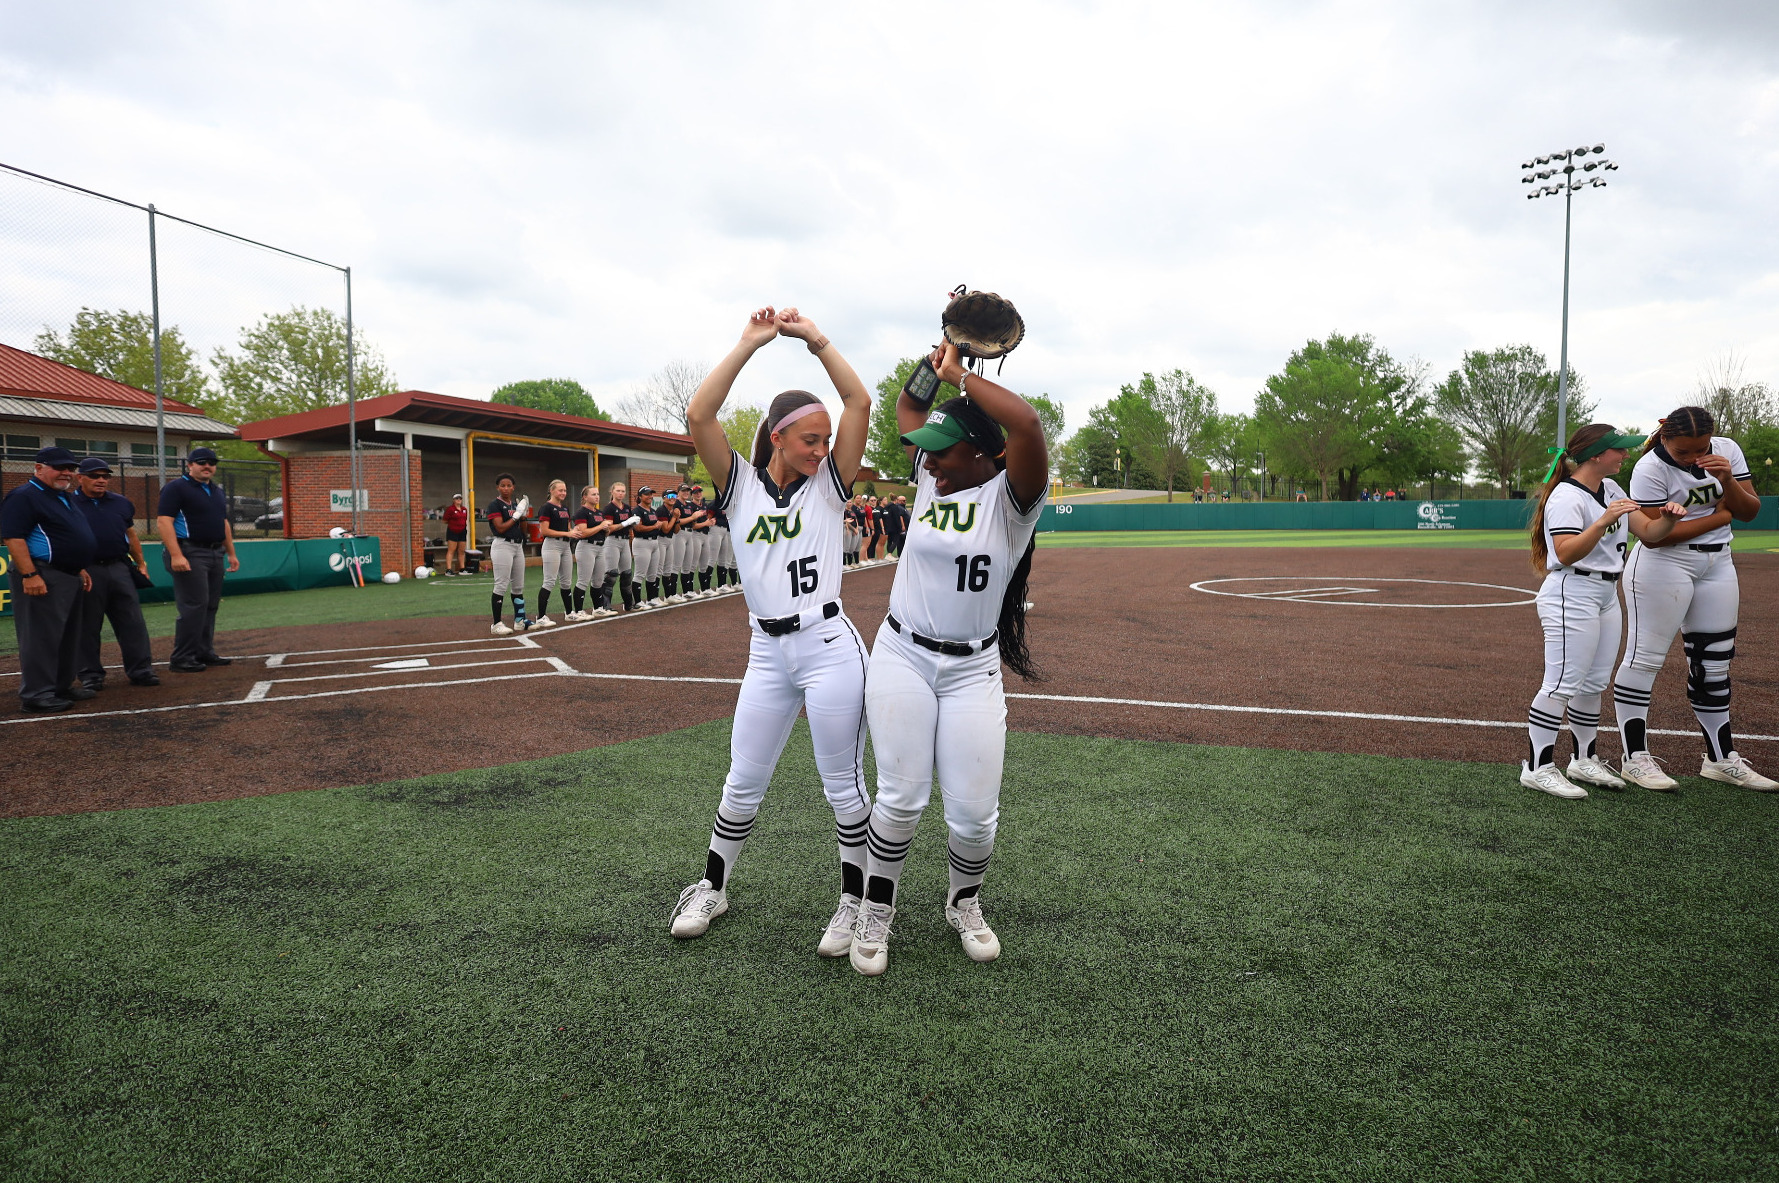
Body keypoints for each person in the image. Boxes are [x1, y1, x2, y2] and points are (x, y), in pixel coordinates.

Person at [669, 305, 873, 956]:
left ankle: (855, 900)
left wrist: (816, 339)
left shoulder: (828, 486)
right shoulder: (740, 486)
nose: (821, 449)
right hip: (766, 649)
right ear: (778, 438)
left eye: (825, 440)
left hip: (828, 645)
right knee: (743, 779)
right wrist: (748, 344)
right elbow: (699, 415)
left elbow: (858, 401)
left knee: (843, 785)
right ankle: (712, 886)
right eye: (809, 439)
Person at [849, 341, 1048, 977]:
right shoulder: (932, 481)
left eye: (943, 450)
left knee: (974, 816)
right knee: (900, 799)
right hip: (902, 654)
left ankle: (963, 902)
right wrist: (938, 358)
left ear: (982, 454)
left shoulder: (1013, 500)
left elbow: (1026, 424)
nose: (928, 460)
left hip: (971, 671)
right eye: (927, 451)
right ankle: (876, 908)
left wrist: (960, 376)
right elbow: (910, 406)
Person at [1612, 406, 1776, 791]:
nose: (1693, 457)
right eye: (1683, 451)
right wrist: (1720, 516)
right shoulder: (1650, 467)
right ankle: (1634, 758)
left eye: (1701, 449)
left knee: (1713, 664)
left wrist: (1727, 479)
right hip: (1663, 564)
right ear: (1665, 439)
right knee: (1644, 659)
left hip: (1719, 563)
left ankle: (1720, 759)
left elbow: (1750, 510)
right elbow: (1656, 535)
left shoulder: (1726, 450)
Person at [1519, 425, 1684, 799]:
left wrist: (1669, 519)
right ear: (1596, 454)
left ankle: (1583, 759)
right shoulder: (1566, 496)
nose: (1625, 455)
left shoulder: (1611, 489)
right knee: (1561, 683)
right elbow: (1564, 553)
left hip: (1606, 592)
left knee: (1593, 683)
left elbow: (1649, 533)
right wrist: (1602, 521)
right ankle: (1538, 767)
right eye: (1618, 450)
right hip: (1571, 590)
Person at [3, 447, 97, 712]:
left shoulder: (61, 496)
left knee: (67, 635)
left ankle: (60, 686)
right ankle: (36, 694)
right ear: (39, 468)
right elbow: (13, 537)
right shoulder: (24, 496)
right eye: (59, 467)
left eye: (70, 468)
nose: (66, 473)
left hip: (68, 574)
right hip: (42, 574)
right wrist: (30, 574)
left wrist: (79, 567)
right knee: (41, 637)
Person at [74, 456, 158, 692]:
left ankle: (141, 670)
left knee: (132, 622)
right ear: (80, 478)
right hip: (87, 569)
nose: (101, 480)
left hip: (119, 567)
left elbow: (131, 535)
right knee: (88, 625)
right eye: (94, 476)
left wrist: (141, 563)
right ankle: (90, 675)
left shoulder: (120, 503)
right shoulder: (69, 503)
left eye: (105, 476)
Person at [155, 446, 240, 672]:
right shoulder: (176, 488)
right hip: (189, 551)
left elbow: (223, 523)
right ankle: (182, 657)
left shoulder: (216, 490)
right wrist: (176, 555)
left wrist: (231, 553)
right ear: (190, 465)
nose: (207, 466)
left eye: (212, 463)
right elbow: (164, 521)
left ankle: (203, 651)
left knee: (210, 605)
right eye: (202, 462)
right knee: (194, 605)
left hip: (214, 552)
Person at [484, 473, 531, 635]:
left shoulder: (514, 505)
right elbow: (500, 528)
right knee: (501, 584)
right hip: (502, 545)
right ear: (498, 487)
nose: (506, 488)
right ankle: (496, 624)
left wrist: (523, 516)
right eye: (502, 485)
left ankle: (520, 620)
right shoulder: (495, 505)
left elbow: (523, 531)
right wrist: (516, 516)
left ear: (513, 487)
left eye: (509, 485)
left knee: (518, 585)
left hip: (517, 545)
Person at [569, 485, 615, 620]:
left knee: (598, 581)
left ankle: (598, 608)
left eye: (598, 494)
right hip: (586, 547)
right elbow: (583, 533)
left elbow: (604, 532)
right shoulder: (581, 512)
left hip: (600, 547)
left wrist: (606, 529)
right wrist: (600, 526)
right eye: (593, 494)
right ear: (585, 497)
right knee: (583, 580)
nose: (597, 497)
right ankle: (578, 611)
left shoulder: (599, 513)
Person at [535, 479, 574, 627]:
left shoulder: (565, 508)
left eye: (565, 490)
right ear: (551, 491)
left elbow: (568, 528)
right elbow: (544, 531)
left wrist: (573, 532)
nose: (563, 493)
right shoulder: (546, 507)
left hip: (565, 545)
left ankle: (569, 613)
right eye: (560, 490)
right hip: (552, 545)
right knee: (549, 581)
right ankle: (541, 616)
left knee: (566, 581)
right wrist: (567, 533)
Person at [600, 482, 638, 612]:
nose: (621, 493)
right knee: (611, 574)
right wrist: (625, 523)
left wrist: (633, 523)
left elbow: (628, 526)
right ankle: (605, 605)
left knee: (627, 573)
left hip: (625, 541)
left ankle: (628, 604)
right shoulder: (609, 508)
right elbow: (609, 528)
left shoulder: (627, 508)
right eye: (618, 491)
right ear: (612, 492)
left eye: (623, 491)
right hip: (612, 541)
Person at [630, 486, 664, 609]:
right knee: (640, 573)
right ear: (640, 496)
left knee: (653, 574)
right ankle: (637, 602)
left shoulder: (652, 511)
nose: (650, 496)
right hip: (642, 543)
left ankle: (651, 599)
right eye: (647, 494)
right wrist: (655, 527)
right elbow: (638, 528)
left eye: (651, 494)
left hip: (654, 542)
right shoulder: (636, 511)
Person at [442, 494, 470, 574]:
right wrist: (453, 525)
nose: (458, 500)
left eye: (460, 498)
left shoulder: (464, 509)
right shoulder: (450, 509)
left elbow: (465, 520)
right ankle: (448, 569)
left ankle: (462, 568)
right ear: (453, 500)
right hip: (453, 531)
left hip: (462, 531)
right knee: (451, 550)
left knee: (461, 550)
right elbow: (445, 520)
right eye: (456, 498)